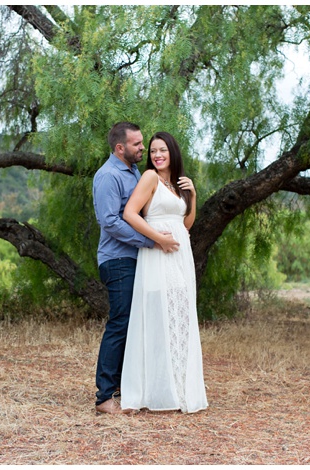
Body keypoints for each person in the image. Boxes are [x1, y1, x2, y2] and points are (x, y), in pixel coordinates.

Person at [93, 122, 180, 415]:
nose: (143, 148)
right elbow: (111, 222)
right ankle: (104, 397)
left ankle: (123, 387)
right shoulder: (108, 176)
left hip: (138, 258)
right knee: (120, 322)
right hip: (117, 259)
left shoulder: (134, 173)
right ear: (120, 148)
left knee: (134, 323)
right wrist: (150, 241)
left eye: (144, 143)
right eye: (138, 145)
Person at [120, 131, 208, 414]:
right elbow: (130, 214)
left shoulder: (175, 184)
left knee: (180, 316)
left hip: (180, 255)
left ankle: (180, 387)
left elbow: (186, 224)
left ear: (173, 153)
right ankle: (158, 391)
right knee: (159, 317)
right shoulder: (150, 178)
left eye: (163, 151)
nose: (157, 155)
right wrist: (158, 238)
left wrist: (192, 196)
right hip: (158, 255)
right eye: (153, 151)